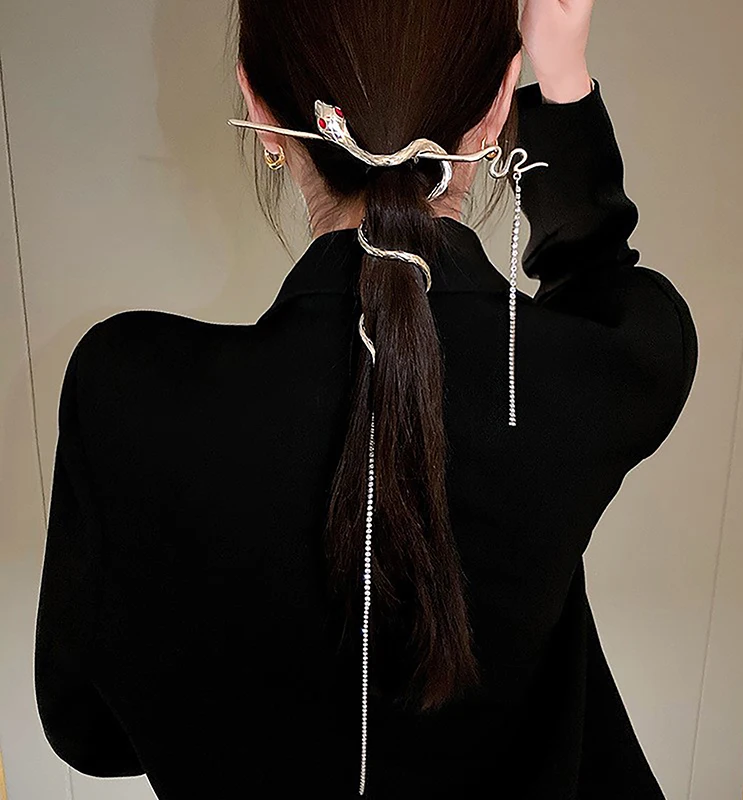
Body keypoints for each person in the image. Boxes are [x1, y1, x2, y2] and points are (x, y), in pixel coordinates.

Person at [33, 1, 698, 798]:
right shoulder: (592, 377)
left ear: (261, 113)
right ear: (497, 108)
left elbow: (89, 730)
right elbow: (608, 292)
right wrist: (561, 81)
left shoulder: (127, 394)